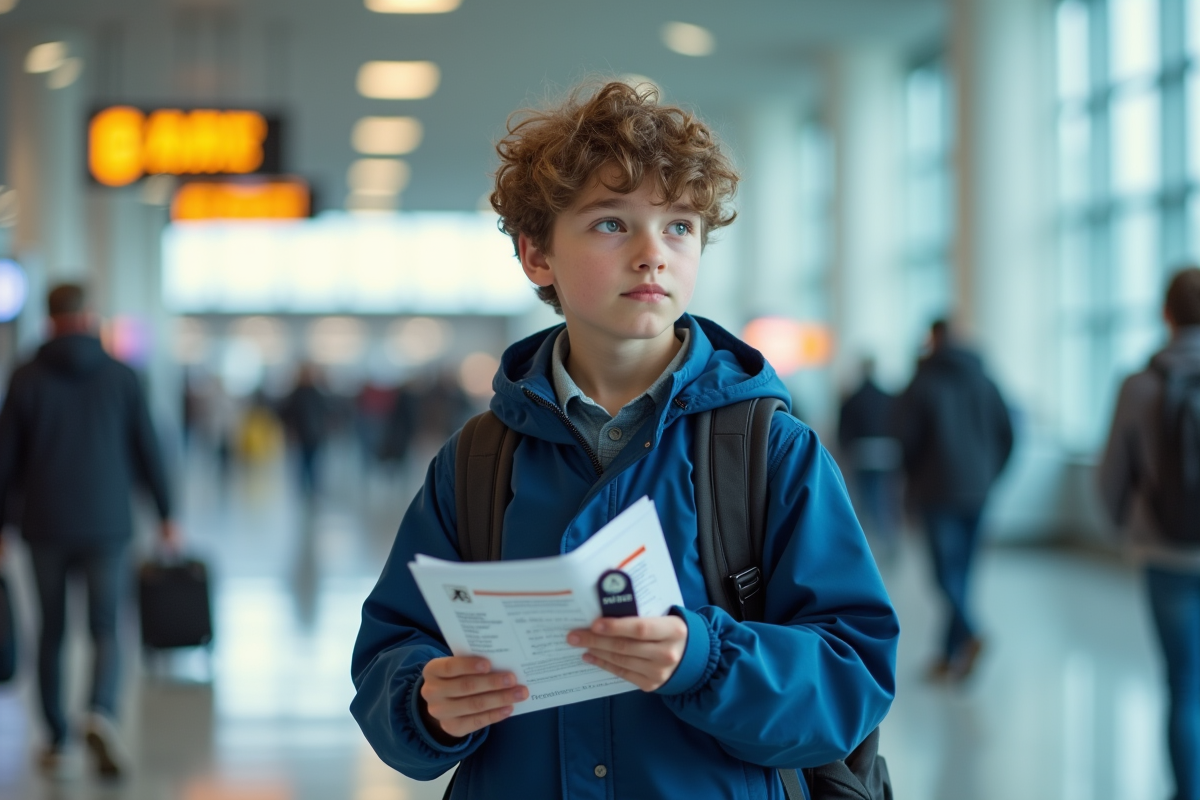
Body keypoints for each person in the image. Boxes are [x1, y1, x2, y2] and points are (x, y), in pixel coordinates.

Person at [350, 81, 898, 799]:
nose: (652, 254)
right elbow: (392, 648)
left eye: (678, 225)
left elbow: (851, 674)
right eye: (611, 223)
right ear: (536, 256)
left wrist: (706, 657)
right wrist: (425, 702)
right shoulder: (482, 458)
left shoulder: (769, 451)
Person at [0, 283, 180, 779]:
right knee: (105, 627)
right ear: (88, 316)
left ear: (51, 318)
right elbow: (148, 446)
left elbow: (6, 458)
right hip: (107, 523)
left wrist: (1, 524)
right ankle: (100, 710)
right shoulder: (121, 375)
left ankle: (56, 738)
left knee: (52, 630)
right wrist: (166, 514)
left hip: (44, 523)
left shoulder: (26, 377)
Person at [1099, 266, 1200, 800]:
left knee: (1183, 683)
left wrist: (1123, 529)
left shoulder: (1140, 384)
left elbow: (1110, 474)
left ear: (1166, 314)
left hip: (1165, 550)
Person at [894, 319, 1013, 682]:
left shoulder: (923, 380)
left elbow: (905, 438)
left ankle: (970, 632)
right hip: (977, 490)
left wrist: (911, 482)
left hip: (936, 491)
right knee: (962, 574)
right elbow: (1008, 434)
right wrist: (989, 475)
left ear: (934, 339)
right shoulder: (985, 380)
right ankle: (949, 656)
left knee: (946, 575)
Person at [837, 357, 902, 560]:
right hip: (886, 454)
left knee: (864, 501)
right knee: (885, 500)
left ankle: (863, 549)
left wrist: (845, 450)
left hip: (861, 454)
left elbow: (843, 430)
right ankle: (887, 542)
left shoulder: (853, 398)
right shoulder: (888, 397)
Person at [279, 363, 332, 499]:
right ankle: (304, 489)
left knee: (314, 462)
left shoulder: (316, 392)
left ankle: (314, 488)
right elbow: (285, 413)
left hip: (315, 433)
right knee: (304, 462)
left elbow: (326, 411)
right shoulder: (296, 394)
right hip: (302, 433)